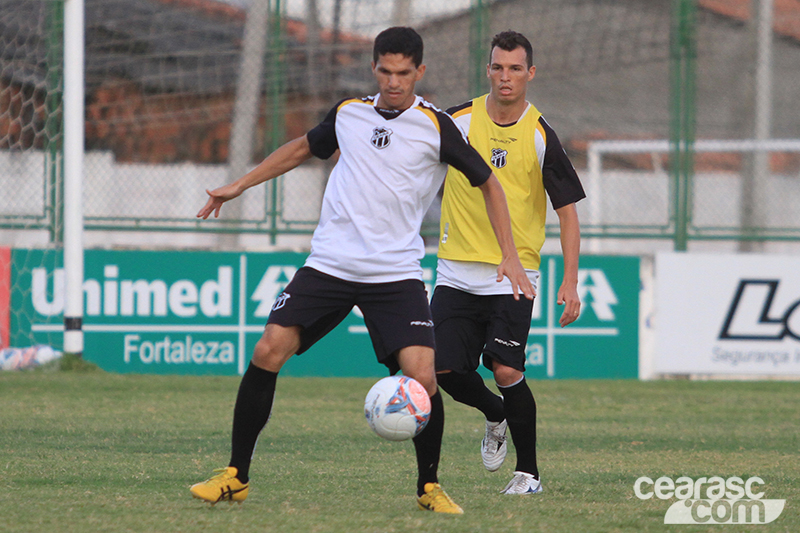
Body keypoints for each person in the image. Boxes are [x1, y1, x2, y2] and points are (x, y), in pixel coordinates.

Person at [190, 27, 534, 514]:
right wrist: (239, 185)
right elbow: (300, 148)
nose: (393, 82)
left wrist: (509, 254)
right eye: (385, 72)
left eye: (403, 73)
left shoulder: (436, 126)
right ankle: (236, 476)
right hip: (330, 264)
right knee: (268, 349)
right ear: (374, 68)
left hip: (393, 274)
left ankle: (429, 487)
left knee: (423, 378)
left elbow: (489, 184)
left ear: (419, 72)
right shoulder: (348, 113)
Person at [431, 30, 585, 495]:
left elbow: (568, 213)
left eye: (515, 68)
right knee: (440, 370)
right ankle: (495, 413)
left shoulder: (540, 135)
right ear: (488, 70)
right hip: (456, 269)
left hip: (514, 274)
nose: (505, 76)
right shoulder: (457, 121)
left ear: (529, 73)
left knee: (505, 369)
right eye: (498, 67)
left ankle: (528, 474)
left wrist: (571, 281)